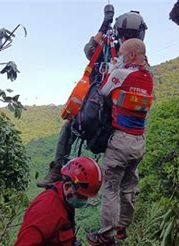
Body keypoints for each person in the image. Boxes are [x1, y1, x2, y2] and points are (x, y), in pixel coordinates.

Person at [37, 10, 148, 188]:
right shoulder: (125, 51)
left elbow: (90, 52)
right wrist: (104, 26)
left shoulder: (131, 55)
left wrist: (104, 26)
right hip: (113, 114)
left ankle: (58, 168)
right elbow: (90, 51)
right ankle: (128, 182)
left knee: (70, 128)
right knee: (74, 128)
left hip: (108, 108)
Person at [86, 38, 153, 246]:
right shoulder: (149, 77)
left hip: (120, 141)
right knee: (129, 185)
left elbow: (103, 92)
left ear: (132, 55)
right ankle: (123, 226)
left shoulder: (121, 74)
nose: (121, 59)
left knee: (111, 188)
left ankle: (106, 235)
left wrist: (113, 68)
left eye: (124, 55)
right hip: (139, 141)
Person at [9, 156, 102, 246]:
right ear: (67, 186)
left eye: (86, 197)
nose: (84, 200)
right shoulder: (46, 208)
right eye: (82, 196)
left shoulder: (66, 200)